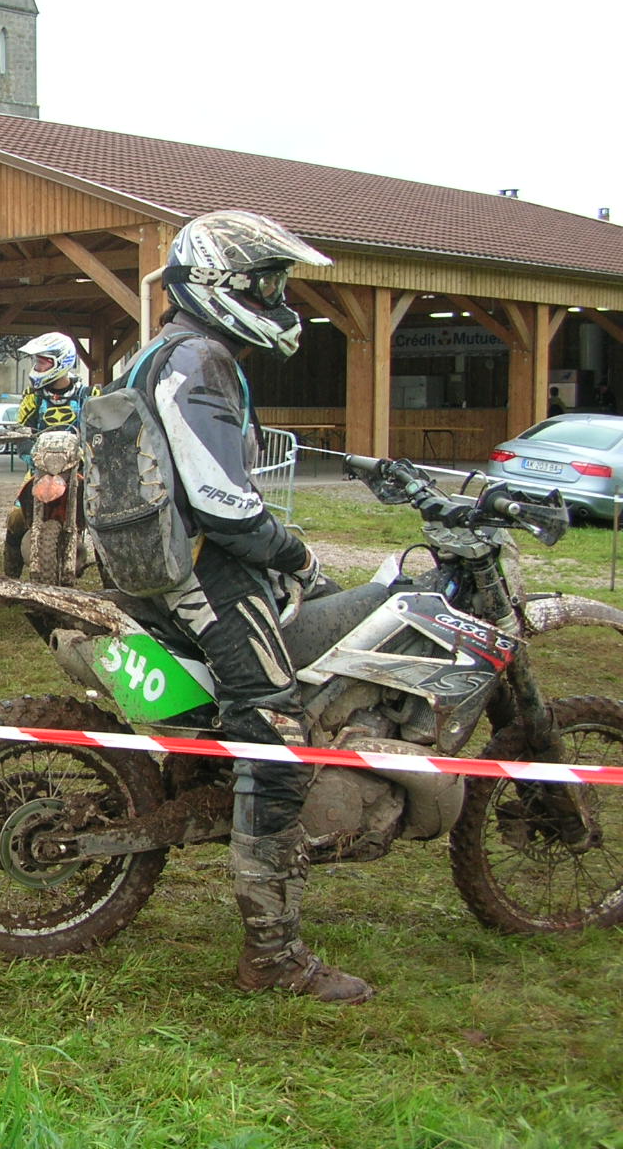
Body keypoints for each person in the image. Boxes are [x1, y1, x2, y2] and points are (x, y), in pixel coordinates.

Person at [132, 209, 372, 1003]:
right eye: (263, 284)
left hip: (171, 562)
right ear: (217, 287)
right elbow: (223, 502)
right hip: (205, 572)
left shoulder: (170, 352)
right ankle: (273, 955)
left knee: (330, 611)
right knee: (276, 732)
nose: (277, 298)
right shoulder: (197, 358)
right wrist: (292, 549)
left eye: (277, 283)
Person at [2, 332, 92, 577]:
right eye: (37, 362)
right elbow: (22, 430)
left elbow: (98, 431)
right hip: (40, 468)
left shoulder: (87, 396)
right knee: (16, 518)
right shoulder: (33, 396)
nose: (37, 367)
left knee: (102, 517)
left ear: (61, 361)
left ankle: (111, 576)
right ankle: (10, 576)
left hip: (79, 470)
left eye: (43, 362)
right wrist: (30, 456)